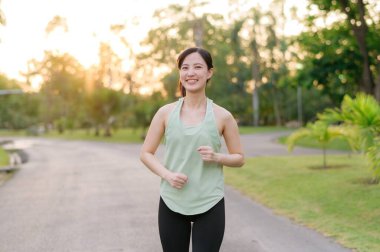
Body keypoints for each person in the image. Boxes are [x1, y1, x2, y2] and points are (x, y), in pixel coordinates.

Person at [140, 47, 244, 252]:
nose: (191, 73)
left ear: (209, 72)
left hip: (209, 202)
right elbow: (145, 153)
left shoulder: (223, 116)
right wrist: (167, 175)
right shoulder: (165, 113)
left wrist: (217, 157)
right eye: (185, 67)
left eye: (198, 67)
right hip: (172, 201)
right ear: (180, 73)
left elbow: (239, 157)